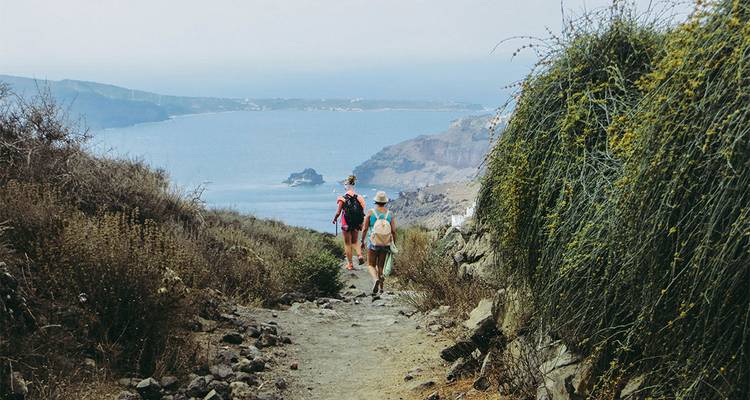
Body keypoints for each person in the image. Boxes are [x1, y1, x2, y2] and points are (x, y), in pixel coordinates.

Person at [360, 191, 397, 296]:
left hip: (373, 243)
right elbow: (394, 231)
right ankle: (381, 288)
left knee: (371, 265)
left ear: (375, 201)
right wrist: (393, 243)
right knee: (381, 265)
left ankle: (375, 279)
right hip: (385, 243)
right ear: (385, 202)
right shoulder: (389, 214)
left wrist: (362, 241)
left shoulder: (371, 213)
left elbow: (365, 229)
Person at [333, 175, 366, 270]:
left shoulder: (342, 198)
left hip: (346, 223)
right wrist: (361, 223)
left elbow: (338, 212)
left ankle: (350, 264)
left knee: (347, 244)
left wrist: (335, 219)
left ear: (346, 186)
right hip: (356, 223)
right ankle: (359, 255)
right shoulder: (360, 198)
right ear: (354, 185)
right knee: (355, 242)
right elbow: (362, 211)